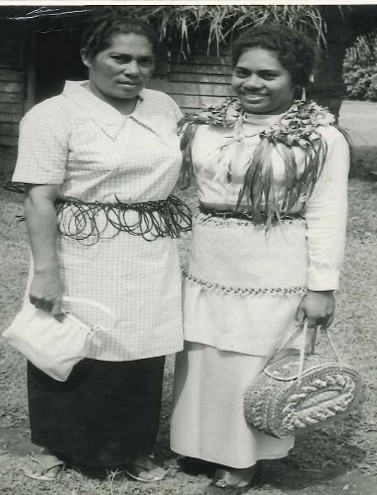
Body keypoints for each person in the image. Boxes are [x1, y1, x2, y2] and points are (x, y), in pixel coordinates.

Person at [10, 12, 190, 482]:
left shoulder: (163, 107)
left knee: (139, 349)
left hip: (148, 248)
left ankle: (131, 448)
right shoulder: (52, 116)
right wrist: (47, 270)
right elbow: (39, 198)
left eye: (145, 61)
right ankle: (55, 445)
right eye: (121, 58)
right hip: (80, 250)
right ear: (89, 57)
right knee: (69, 345)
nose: (134, 70)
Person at [170, 24, 350, 490]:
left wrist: (321, 287)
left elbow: (328, 213)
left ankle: (240, 458)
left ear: (295, 80)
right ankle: (198, 443)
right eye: (242, 72)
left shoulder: (321, 138)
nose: (251, 83)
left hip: (274, 264)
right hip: (210, 260)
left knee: (251, 361)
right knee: (206, 354)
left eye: (267, 75)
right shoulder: (207, 126)